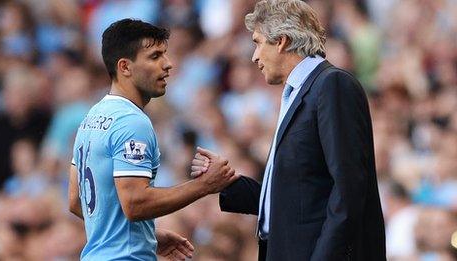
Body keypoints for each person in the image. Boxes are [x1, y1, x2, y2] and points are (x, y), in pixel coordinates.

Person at [192, 1, 386, 260]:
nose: (254, 56)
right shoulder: (297, 93)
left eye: (258, 42)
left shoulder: (332, 85)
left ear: (281, 41)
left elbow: (348, 190)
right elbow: (300, 198)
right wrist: (227, 182)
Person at [68, 19, 238, 261]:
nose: (167, 64)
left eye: (165, 55)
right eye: (155, 56)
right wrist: (204, 186)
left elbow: (76, 201)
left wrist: (146, 235)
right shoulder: (131, 121)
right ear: (125, 67)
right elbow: (135, 203)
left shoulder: (92, 117)